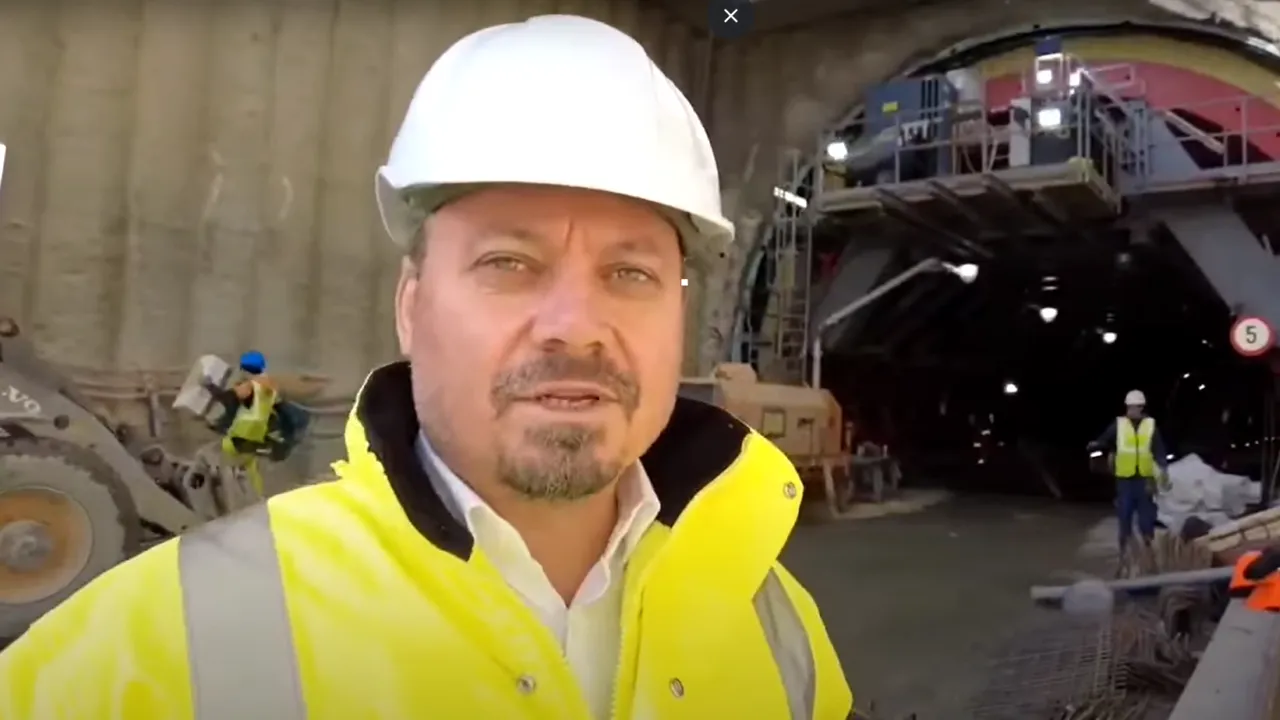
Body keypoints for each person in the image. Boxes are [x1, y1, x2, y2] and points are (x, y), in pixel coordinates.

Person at [0, 15, 853, 720]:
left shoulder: (778, 627)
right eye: (508, 264)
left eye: (629, 274)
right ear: (411, 307)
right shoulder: (148, 649)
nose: (577, 328)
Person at [1087, 389, 1170, 553]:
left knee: (1146, 520)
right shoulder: (1118, 425)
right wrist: (1095, 446)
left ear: (1141, 407)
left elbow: (1159, 452)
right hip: (1125, 481)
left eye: (1134, 407)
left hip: (1145, 481)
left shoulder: (1150, 426)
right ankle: (1124, 552)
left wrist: (1162, 473)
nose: (1131, 410)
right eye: (1129, 407)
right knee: (1124, 517)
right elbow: (1104, 441)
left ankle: (1148, 552)